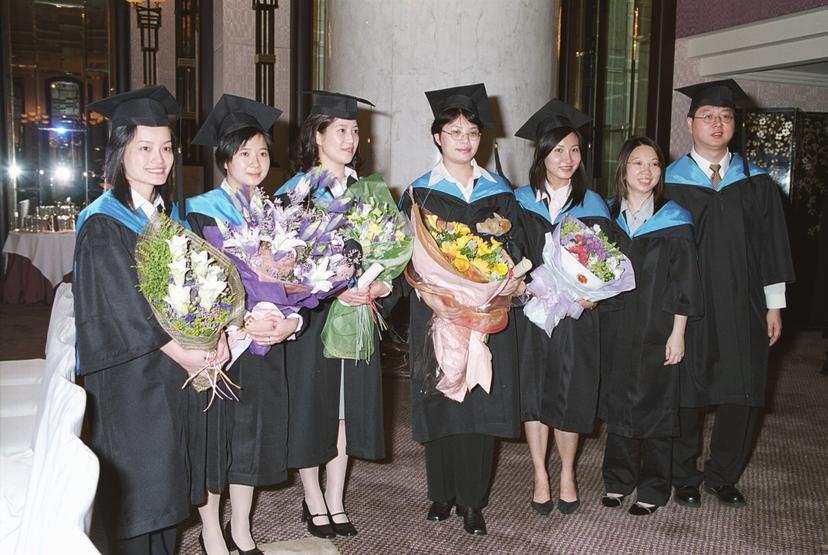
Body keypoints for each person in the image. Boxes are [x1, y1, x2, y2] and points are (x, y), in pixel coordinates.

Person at [75, 86, 230, 554]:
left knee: (164, 492)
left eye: (166, 148)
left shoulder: (165, 216)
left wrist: (216, 334)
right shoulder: (103, 223)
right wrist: (189, 355)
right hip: (131, 381)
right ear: (120, 151)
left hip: (167, 375)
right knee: (140, 497)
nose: (158, 159)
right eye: (144, 148)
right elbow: (123, 309)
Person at [399, 83, 523, 536]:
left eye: (472, 131)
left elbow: (516, 248)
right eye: (454, 131)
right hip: (437, 312)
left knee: (478, 403)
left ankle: (472, 500)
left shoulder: (499, 191)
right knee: (441, 400)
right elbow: (402, 256)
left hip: (486, 313)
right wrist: (426, 293)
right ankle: (440, 493)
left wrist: (503, 284)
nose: (464, 139)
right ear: (437, 136)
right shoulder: (420, 192)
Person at [665, 79, 795, 508]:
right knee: (685, 390)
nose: (717, 124)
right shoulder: (670, 182)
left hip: (745, 303)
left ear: (735, 124)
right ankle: (683, 475)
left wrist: (774, 306)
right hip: (690, 306)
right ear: (690, 123)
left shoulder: (757, 183)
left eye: (725, 116)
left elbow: (772, 248)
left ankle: (723, 475)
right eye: (707, 116)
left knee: (743, 388)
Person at [184, 94, 295, 555]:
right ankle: (211, 528)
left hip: (264, 343)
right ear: (225, 158)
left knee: (252, 436)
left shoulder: (278, 214)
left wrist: (288, 318)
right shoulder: (200, 209)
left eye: (262, 152)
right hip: (223, 345)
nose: (255, 162)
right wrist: (236, 320)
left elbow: (295, 280)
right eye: (244, 152)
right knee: (217, 437)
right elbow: (191, 281)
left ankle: (242, 526)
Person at [276, 91, 389, 539]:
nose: (350, 138)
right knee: (313, 408)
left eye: (355, 130)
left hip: (357, 318)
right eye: (340, 130)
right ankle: (313, 498)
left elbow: (390, 256)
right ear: (318, 136)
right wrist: (331, 290)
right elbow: (281, 270)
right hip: (313, 321)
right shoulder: (296, 193)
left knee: (345, 411)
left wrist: (380, 285)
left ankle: (336, 497)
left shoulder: (369, 192)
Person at [512, 99, 609, 516]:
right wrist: (519, 287)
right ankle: (540, 474)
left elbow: (607, 263)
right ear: (542, 155)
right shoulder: (518, 201)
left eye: (574, 150)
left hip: (576, 316)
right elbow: (509, 254)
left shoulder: (594, 204)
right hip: (533, 314)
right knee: (534, 392)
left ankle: (567, 472)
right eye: (557, 150)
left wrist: (596, 293)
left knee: (571, 391)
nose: (567, 158)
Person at [598, 136, 704, 515]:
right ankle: (617, 480)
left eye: (655, 164)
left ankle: (654, 487)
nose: (647, 171)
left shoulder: (674, 219)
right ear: (623, 169)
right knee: (618, 402)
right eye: (638, 163)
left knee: (658, 407)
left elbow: (684, 283)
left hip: (658, 327)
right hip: (615, 324)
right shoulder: (606, 215)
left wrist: (678, 333)